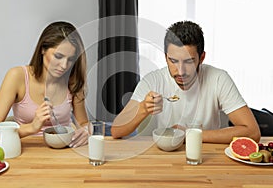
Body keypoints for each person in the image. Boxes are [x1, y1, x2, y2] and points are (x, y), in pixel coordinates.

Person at [111, 20, 261, 144]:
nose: (180, 71)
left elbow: (252, 132)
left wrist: (189, 134)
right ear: (165, 57)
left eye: (188, 61)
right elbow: (116, 130)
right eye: (173, 61)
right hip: (166, 157)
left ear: (201, 58)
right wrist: (143, 108)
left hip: (206, 155)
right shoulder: (153, 80)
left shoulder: (218, 78)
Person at [0, 21, 89, 148]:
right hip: (26, 152)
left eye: (70, 59)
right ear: (43, 49)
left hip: (64, 152)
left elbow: (83, 122)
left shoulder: (73, 80)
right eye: (58, 56)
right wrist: (31, 127)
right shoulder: (17, 77)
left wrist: (87, 130)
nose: (64, 66)